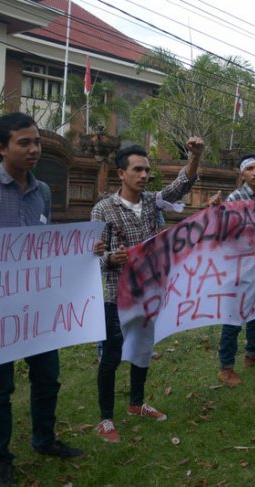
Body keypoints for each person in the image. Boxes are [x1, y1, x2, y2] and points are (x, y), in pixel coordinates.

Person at [0, 113, 93, 487]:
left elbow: (44, 247)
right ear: (1, 148)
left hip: (38, 310)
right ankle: (1, 458)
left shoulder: (43, 191)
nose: (34, 150)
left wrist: (82, 251)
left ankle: (44, 439)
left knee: (48, 378)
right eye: (24, 143)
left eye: (37, 142)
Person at [91, 139, 205, 443]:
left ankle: (136, 403)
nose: (144, 176)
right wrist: (109, 258)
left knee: (143, 350)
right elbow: (90, 257)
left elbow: (180, 186)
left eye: (147, 171)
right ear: (120, 174)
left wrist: (194, 156)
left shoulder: (154, 202)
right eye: (137, 170)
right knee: (112, 356)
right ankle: (105, 419)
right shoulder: (103, 210)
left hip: (150, 294)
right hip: (116, 296)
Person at [217, 154, 255, 387]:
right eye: (250, 169)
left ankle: (252, 355)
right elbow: (223, 232)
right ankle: (225, 368)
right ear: (242, 174)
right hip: (238, 268)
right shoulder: (235, 198)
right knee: (233, 317)